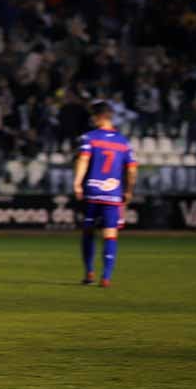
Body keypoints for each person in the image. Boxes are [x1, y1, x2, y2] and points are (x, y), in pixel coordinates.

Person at [73, 101, 138, 288]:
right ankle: (106, 277)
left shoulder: (89, 138)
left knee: (88, 232)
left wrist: (77, 183)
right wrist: (129, 191)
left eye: (93, 116)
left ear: (99, 117)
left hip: (92, 191)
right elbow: (132, 170)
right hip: (113, 194)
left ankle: (89, 273)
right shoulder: (123, 142)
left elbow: (83, 160)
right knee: (110, 234)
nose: (91, 119)